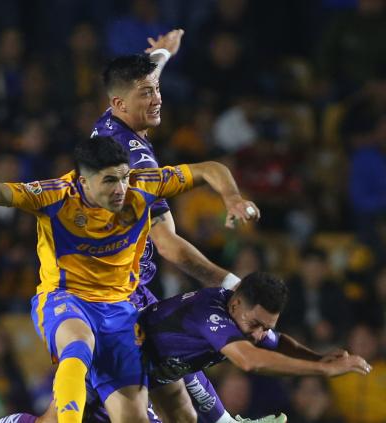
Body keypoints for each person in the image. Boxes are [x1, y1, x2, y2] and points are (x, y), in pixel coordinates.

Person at [0, 136, 258, 423]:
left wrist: (231, 197)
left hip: (121, 311)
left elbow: (208, 169)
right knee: (78, 346)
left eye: (123, 177)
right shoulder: (55, 194)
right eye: (109, 180)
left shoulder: (144, 185)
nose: (120, 189)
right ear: (83, 181)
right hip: (66, 298)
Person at [91, 31, 262, 423]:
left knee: (176, 390)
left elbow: (143, 75)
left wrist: (163, 53)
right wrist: (234, 285)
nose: (156, 99)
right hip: (114, 295)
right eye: (146, 95)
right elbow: (167, 244)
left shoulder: (112, 119)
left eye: (156, 90)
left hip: (120, 281)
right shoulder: (134, 160)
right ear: (120, 103)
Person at [139, 272, 372, 422]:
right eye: (256, 325)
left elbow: (278, 342)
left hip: (168, 366)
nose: (259, 335)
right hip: (124, 367)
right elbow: (250, 361)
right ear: (236, 304)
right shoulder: (208, 314)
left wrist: (318, 358)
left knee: (188, 418)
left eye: (266, 327)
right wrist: (323, 371)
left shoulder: (246, 319)